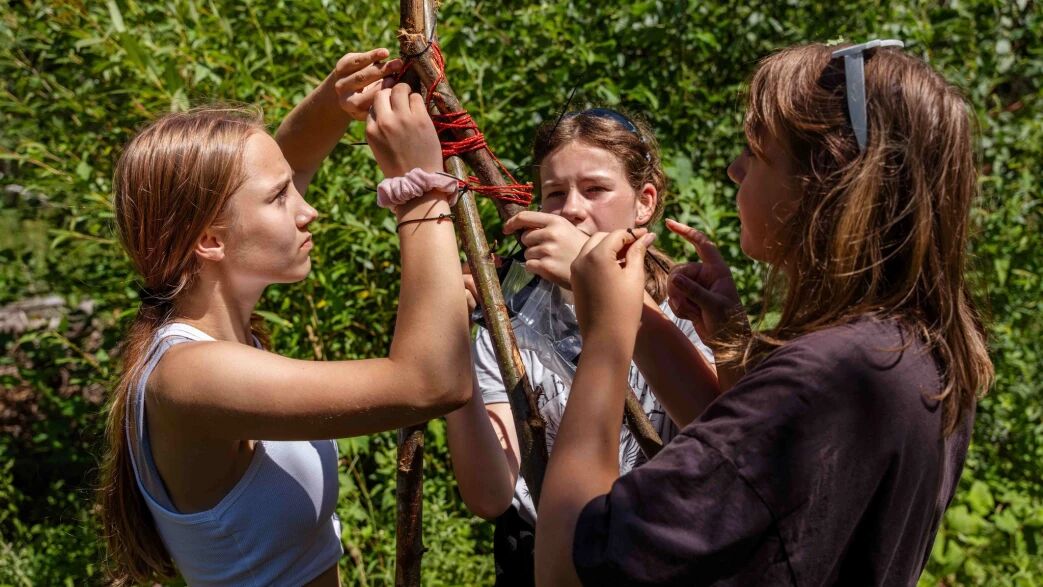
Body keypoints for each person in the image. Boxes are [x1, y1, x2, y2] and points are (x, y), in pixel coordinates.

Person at [535, 41, 994, 586]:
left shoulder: (826, 378)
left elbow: (566, 566)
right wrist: (716, 338)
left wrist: (605, 336)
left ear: (825, 181)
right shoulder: (912, 350)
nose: (735, 169)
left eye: (755, 151)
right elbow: (752, 475)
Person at [98, 48, 472, 586]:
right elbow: (432, 382)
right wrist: (420, 187)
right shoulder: (192, 376)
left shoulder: (212, 333)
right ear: (210, 240)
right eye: (280, 197)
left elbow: (278, 169)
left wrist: (332, 102)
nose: (307, 209)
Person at [445, 109, 718, 585]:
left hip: (666, 555)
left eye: (595, 189)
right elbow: (489, 495)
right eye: (554, 193)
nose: (571, 209)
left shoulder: (687, 308)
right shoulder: (506, 324)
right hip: (544, 559)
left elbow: (723, 436)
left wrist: (599, 286)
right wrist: (454, 341)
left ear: (644, 202)